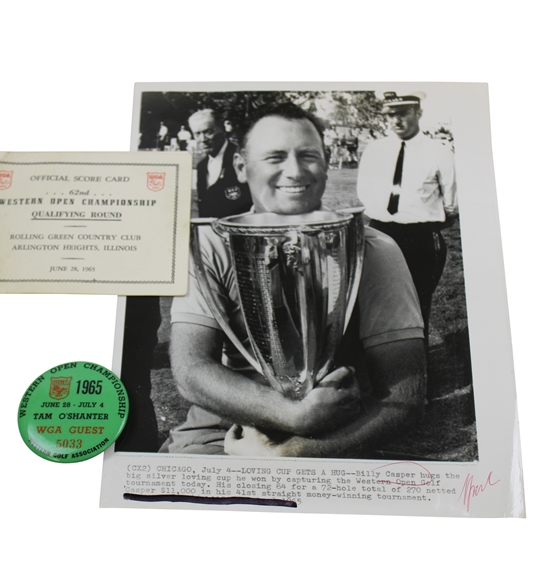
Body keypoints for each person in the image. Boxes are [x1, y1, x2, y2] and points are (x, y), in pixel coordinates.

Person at [161, 102, 426, 458]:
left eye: (308, 156)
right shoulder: (210, 244)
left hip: (335, 430)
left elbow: (406, 397)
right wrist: (292, 415)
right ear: (241, 167)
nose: (295, 171)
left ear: (327, 163)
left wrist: (293, 452)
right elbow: (191, 369)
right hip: (225, 427)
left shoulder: (373, 250)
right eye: (275, 157)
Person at [357, 92, 458, 335]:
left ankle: (417, 366)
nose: (396, 120)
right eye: (390, 115)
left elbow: (452, 201)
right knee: (377, 303)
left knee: (417, 305)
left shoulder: (439, 151)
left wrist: (423, 219)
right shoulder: (375, 149)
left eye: (403, 113)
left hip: (421, 238)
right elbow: (364, 191)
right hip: (380, 233)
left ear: (419, 113)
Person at [188, 108, 252, 218]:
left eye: (208, 132)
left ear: (222, 129)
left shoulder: (242, 158)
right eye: (197, 134)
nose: (203, 139)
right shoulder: (201, 166)